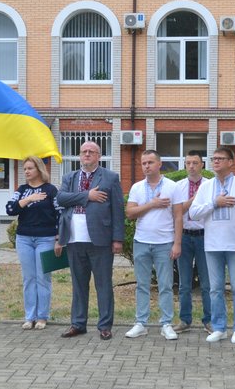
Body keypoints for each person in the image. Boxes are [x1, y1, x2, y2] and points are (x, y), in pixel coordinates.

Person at [56, 141, 125, 341]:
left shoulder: (110, 177)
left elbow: (117, 209)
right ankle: (78, 324)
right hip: (74, 238)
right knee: (79, 284)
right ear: (79, 156)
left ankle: (105, 326)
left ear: (99, 156)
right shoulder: (70, 177)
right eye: (84, 152)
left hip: (100, 240)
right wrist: (88, 195)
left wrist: (117, 239)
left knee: (103, 284)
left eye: (91, 152)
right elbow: (61, 199)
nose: (87, 154)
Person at [189, 146, 235, 344]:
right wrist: (215, 203)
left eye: (220, 158)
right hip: (212, 245)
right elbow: (193, 213)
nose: (216, 161)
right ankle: (219, 327)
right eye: (214, 158)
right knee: (215, 288)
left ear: (230, 162)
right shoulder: (206, 186)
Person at [125, 149, 182, 340]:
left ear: (159, 164)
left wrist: (177, 244)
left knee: (165, 285)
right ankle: (141, 322)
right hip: (141, 242)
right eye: (143, 163)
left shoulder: (173, 187)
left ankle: (166, 323)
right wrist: (152, 203)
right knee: (142, 284)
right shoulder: (137, 187)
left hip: (164, 243)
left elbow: (178, 216)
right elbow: (130, 213)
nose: (146, 166)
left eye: (150, 162)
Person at [6, 156, 62, 331]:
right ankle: (30, 317)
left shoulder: (50, 190)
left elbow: (60, 215)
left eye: (30, 168)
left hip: (45, 238)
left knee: (43, 278)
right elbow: (10, 209)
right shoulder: (22, 190)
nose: (27, 172)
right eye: (25, 169)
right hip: (24, 239)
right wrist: (29, 199)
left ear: (39, 169)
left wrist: (59, 239)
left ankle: (42, 316)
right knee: (28, 278)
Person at [173, 150, 212, 335]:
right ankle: (185, 320)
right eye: (188, 163)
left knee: (207, 282)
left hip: (205, 236)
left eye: (195, 162)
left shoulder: (211, 185)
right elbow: (177, 212)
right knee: (184, 283)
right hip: (185, 236)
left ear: (202, 164)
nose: (191, 166)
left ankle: (209, 320)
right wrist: (194, 200)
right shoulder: (178, 186)